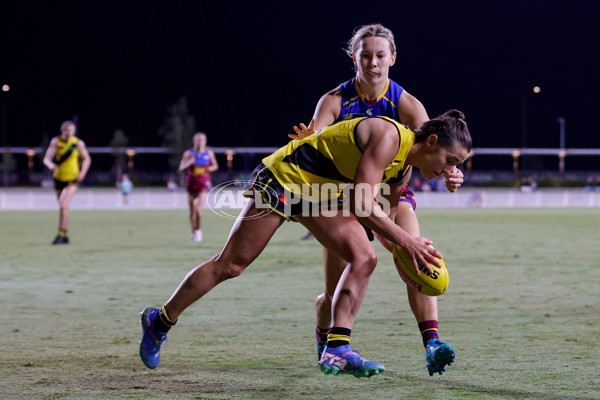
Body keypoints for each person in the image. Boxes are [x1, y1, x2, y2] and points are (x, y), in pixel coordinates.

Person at [139, 110, 472, 378]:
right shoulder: (389, 136)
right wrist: (407, 241)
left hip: (320, 195)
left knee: (364, 258)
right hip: (286, 178)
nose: (450, 172)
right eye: (451, 161)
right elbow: (361, 202)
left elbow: (381, 220)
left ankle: (337, 348)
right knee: (231, 265)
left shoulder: (402, 170)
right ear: (431, 141)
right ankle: (160, 321)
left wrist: (405, 251)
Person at [288, 24, 463, 375]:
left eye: (380, 55)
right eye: (365, 55)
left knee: (419, 256)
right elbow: (314, 142)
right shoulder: (334, 100)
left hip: (392, 192)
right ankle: (327, 339)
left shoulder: (408, 105)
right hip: (341, 196)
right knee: (333, 290)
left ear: (393, 58)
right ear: (354, 58)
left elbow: (438, 149)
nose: (373, 62)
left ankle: (432, 343)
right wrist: (308, 139)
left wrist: (452, 174)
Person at [43, 120, 91, 245]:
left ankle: (61, 233)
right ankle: (65, 235)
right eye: (67, 130)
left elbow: (87, 159)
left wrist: (82, 173)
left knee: (63, 204)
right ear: (62, 131)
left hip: (72, 179)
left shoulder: (77, 143)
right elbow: (47, 159)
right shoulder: (56, 142)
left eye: (72, 130)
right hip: (58, 178)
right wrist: (51, 165)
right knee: (62, 206)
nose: (69, 133)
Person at [177, 132, 218, 243]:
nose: (200, 142)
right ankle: (194, 232)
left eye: (202, 140)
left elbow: (215, 166)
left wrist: (210, 169)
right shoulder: (188, 153)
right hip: (191, 184)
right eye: (198, 140)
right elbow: (180, 168)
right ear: (194, 141)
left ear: (205, 142)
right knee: (192, 211)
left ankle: (198, 230)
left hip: (203, 184)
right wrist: (189, 163)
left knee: (198, 209)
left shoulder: (208, 153)